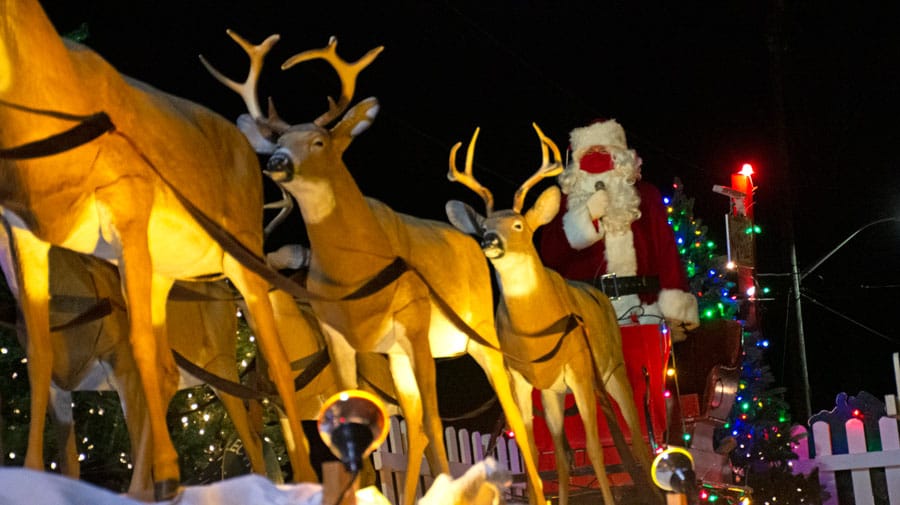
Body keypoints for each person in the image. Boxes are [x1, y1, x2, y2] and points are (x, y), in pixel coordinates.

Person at [539, 118, 699, 341]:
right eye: (589, 152)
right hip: (581, 317)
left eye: (604, 151)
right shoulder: (564, 202)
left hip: (641, 315)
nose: (597, 157)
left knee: (642, 374)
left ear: (621, 156)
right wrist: (584, 218)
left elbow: (666, 254)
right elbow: (549, 255)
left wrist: (676, 310)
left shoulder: (646, 196)